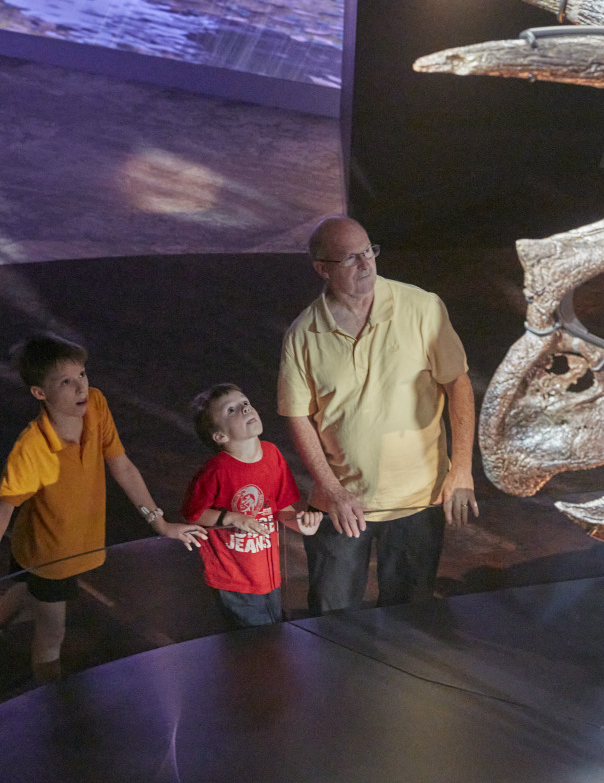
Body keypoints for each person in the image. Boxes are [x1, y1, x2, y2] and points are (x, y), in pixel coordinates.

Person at [0, 333, 206, 680]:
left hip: (71, 544)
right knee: (51, 635)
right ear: (40, 393)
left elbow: (122, 466)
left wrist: (160, 523)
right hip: (50, 555)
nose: (81, 386)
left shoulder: (96, 404)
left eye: (81, 374)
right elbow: (3, 510)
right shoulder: (31, 449)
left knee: (27, 589)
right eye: (66, 382)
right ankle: (51, 697)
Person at [277, 216, 477, 615]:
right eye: (350, 258)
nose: (366, 264)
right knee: (332, 618)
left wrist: (462, 470)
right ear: (323, 269)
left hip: (418, 501)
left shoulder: (422, 307)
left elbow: (458, 385)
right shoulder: (303, 334)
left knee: (410, 620)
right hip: (341, 504)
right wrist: (332, 490)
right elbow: (298, 417)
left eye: (368, 251)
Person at [182, 384, 322, 626]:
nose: (245, 409)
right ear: (220, 436)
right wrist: (232, 518)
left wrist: (302, 525)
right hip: (234, 579)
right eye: (231, 410)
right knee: (256, 641)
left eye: (245, 403)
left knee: (273, 634)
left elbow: (282, 509)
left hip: (269, 576)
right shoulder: (217, 470)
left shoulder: (273, 454)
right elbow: (192, 515)